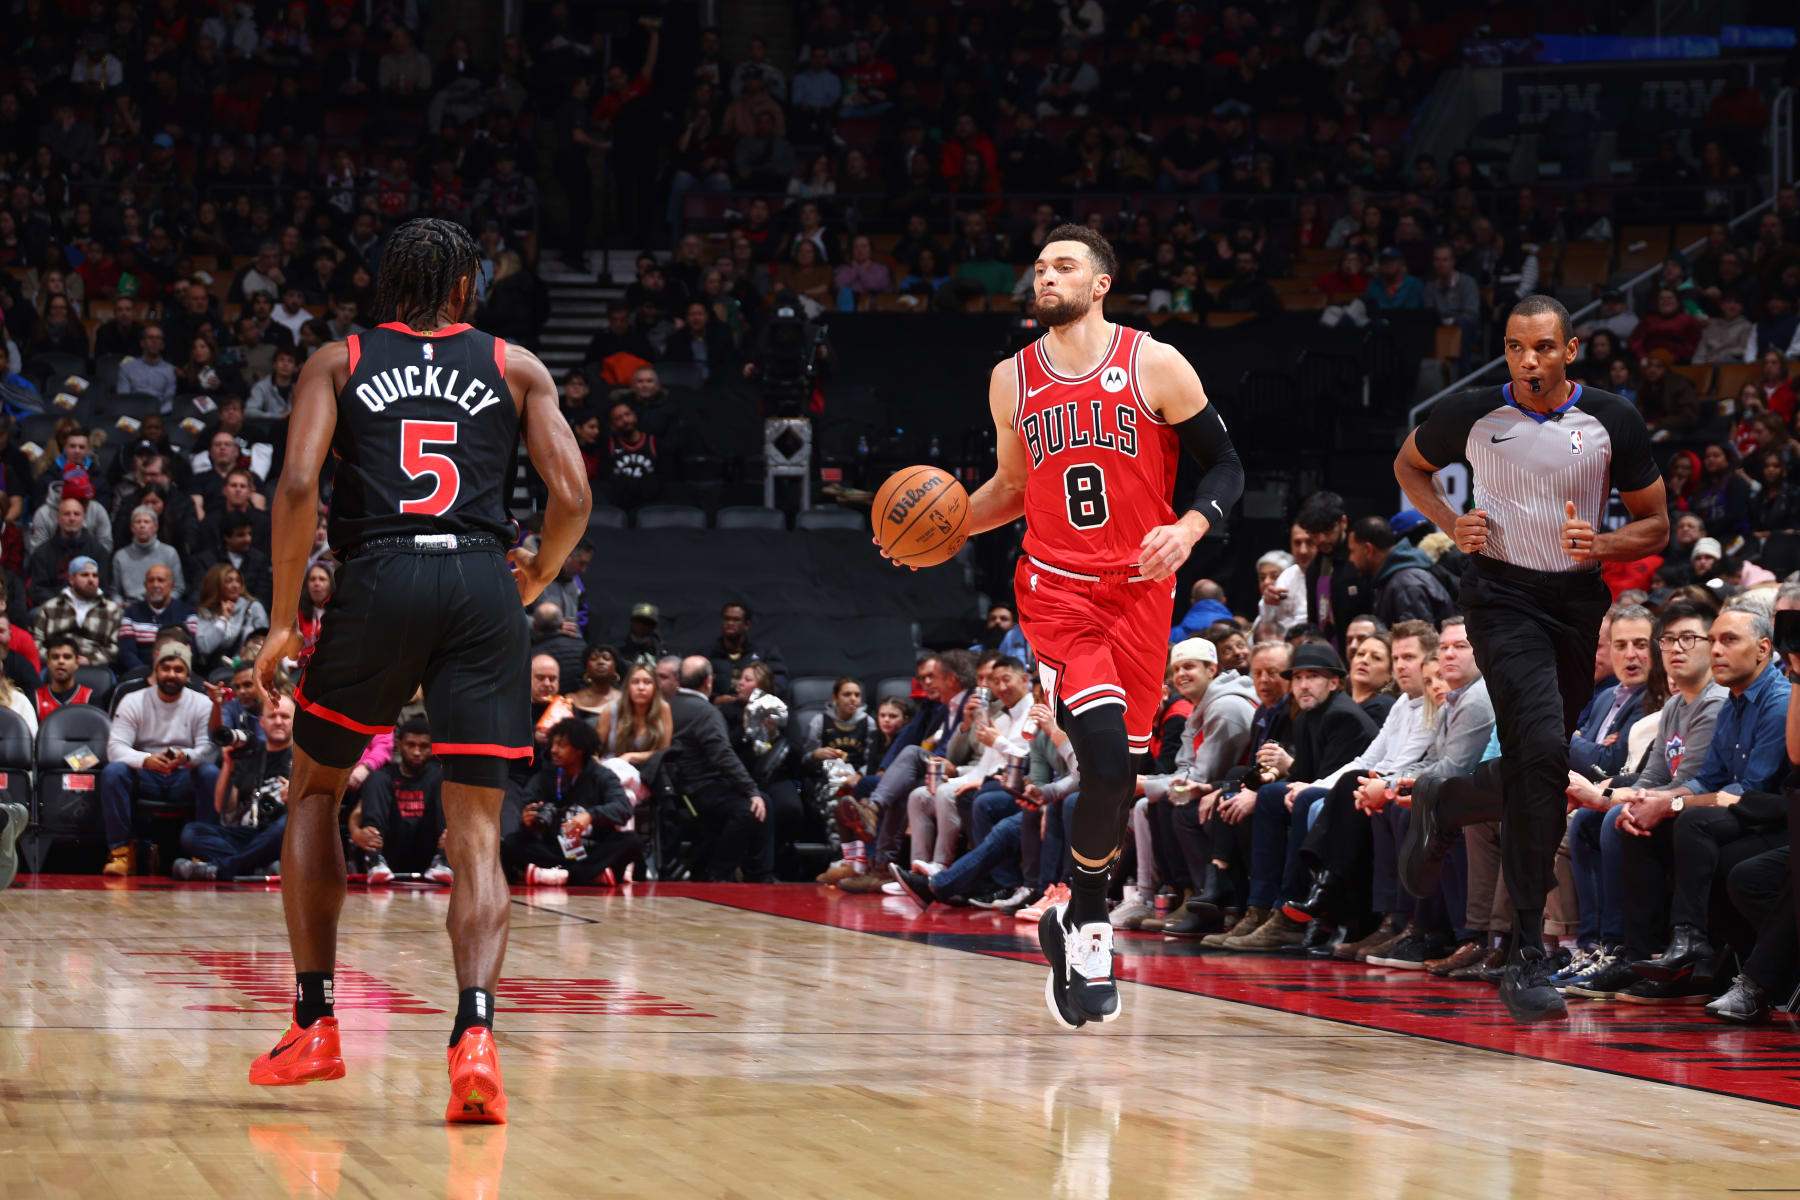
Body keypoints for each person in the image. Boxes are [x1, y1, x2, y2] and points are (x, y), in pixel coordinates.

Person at [249, 217, 590, 1123]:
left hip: (382, 573)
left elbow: (294, 488)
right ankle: (475, 1035)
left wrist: (284, 621)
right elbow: (574, 495)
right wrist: (538, 573)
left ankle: (315, 1022)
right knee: (476, 830)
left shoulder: (339, 360)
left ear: (386, 283)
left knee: (316, 788)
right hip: (481, 581)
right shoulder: (517, 365)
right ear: (466, 289)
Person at [902, 223, 1243, 1030]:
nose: (1043, 275)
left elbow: (1227, 466)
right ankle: (1092, 929)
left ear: (1099, 284)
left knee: (1114, 780)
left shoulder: (1153, 363)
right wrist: (940, 530)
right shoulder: (1010, 378)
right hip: (1057, 591)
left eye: (1063, 266)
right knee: (1094, 745)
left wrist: (1190, 527)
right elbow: (1011, 490)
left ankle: (1074, 911)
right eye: (1039, 265)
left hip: (1141, 594)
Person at [1395, 294, 1667, 1023]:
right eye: (1517, 348)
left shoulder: (1614, 419)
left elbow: (1656, 523)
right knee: (1546, 748)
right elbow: (1408, 465)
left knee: (1538, 763)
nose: (1529, 361)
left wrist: (1602, 546)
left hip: (1577, 604)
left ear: (1570, 350)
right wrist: (1454, 525)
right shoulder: (1472, 413)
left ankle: (1446, 799)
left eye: (1543, 347)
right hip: (1501, 597)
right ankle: (1525, 950)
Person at [99, 642, 220, 876]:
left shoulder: (202, 702)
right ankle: (121, 853)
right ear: (155, 670)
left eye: (178, 669)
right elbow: (115, 748)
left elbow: (209, 750)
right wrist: (146, 760)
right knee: (113, 772)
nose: (171, 674)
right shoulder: (133, 700)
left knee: (210, 773)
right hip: (146, 775)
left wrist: (185, 757)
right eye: (166, 668)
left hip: (183, 775)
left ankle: (202, 854)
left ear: (187, 674)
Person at [504, 716, 642, 886]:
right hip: (554, 849)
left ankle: (558, 875)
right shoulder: (544, 777)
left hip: (591, 849)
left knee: (632, 842)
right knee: (511, 842)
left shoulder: (602, 776)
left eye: (561, 745)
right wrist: (527, 822)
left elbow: (623, 808)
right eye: (552, 744)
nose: (553, 750)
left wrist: (591, 815)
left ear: (579, 750)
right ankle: (588, 876)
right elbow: (527, 810)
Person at [172, 693, 295, 881]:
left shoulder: (304, 759)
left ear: (295, 721)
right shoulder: (249, 754)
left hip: (283, 836)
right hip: (250, 833)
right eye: (272, 716)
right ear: (262, 722)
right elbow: (222, 807)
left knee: (288, 823)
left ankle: (221, 870)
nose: (278, 721)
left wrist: (296, 799)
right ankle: (257, 867)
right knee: (192, 833)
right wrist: (228, 766)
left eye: (285, 716)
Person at [668, 656, 769, 881]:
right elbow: (723, 756)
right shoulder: (705, 711)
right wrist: (750, 789)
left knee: (764, 801)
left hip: (680, 787)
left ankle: (758, 874)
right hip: (698, 789)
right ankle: (720, 875)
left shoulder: (671, 705)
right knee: (750, 809)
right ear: (709, 682)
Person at [348, 718, 452, 884]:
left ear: (432, 748)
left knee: (445, 781)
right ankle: (375, 860)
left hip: (428, 844)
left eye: (423, 746)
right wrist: (356, 833)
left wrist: (455, 833)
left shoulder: (437, 777)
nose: (417, 752)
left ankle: (444, 861)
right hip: (391, 844)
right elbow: (358, 813)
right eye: (411, 745)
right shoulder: (384, 776)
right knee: (375, 778)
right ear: (399, 745)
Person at [30, 554, 123, 667]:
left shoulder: (112, 610)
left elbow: (116, 647)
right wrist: (55, 659)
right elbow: (35, 643)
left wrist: (91, 661)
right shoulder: (50, 608)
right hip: (55, 667)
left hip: (95, 669)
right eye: (84, 575)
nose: (91, 580)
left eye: (94, 575)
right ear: (71, 579)